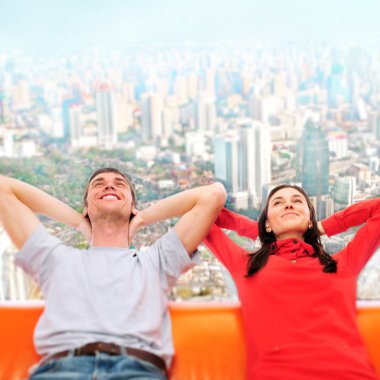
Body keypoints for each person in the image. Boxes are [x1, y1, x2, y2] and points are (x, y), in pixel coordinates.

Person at [0, 167, 226, 379]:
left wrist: (143, 218)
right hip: (62, 370)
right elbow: (3, 188)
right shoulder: (57, 259)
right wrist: (78, 220)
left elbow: (213, 195)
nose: (109, 186)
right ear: (87, 207)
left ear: (132, 207)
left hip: (137, 370)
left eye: (119, 184)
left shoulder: (156, 262)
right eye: (99, 184)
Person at [204, 184, 380, 380]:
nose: (288, 205)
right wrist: (258, 229)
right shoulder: (246, 265)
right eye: (278, 203)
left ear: (310, 219)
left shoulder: (343, 264)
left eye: (297, 201)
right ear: (267, 222)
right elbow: (203, 216)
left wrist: (324, 226)